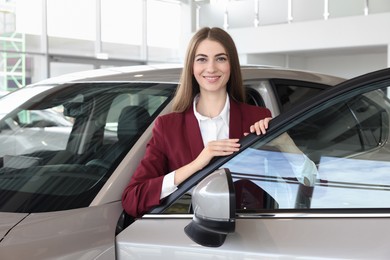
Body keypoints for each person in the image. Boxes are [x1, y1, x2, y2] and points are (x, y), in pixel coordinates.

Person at [121, 27, 272, 218]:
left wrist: (283, 143)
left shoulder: (257, 118)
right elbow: (133, 200)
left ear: (231, 64)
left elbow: (304, 183)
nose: (211, 68)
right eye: (202, 59)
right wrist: (197, 164)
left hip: (250, 235)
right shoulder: (168, 127)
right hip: (188, 240)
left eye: (220, 58)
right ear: (191, 67)